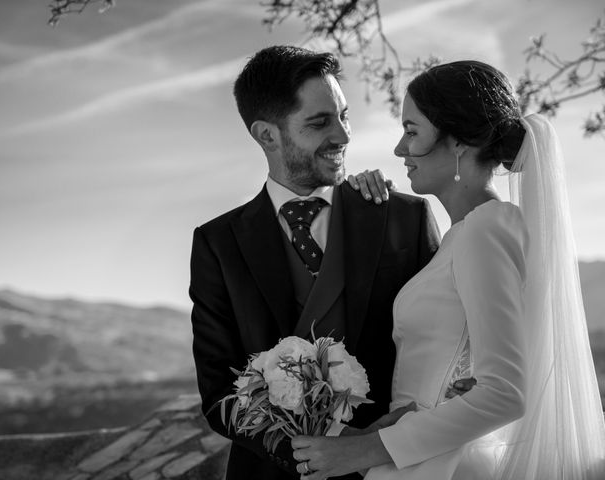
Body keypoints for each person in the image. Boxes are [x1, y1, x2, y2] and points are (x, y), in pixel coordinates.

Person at [291, 60, 605, 479]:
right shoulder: (467, 233)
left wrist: (365, 450)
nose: (400, 149)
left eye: (412, 130)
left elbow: (505, 394)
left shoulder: (485, 229)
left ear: (457, 142)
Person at [189, 45, 441, 480]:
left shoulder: (403, 217)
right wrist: (314, 452)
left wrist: (377, 447)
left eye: (344, 116)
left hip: (396, 470)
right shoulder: (217, 244)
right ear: (267, 135)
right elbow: (219, 396)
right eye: (320, 122)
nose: (343, 136)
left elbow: (445, 347)